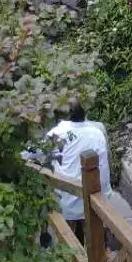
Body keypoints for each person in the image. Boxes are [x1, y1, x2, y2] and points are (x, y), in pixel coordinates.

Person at [35, 102, 113, 241]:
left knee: (69, 240)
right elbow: (105, 168)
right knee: (94, 239)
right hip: (91, 200)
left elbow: (35, 154)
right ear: (85, 114)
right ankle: (98, 257)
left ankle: (72, 260)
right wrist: (105, 196)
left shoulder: (56, 133)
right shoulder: (96, 132)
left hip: (65, 200)